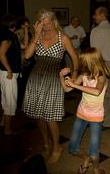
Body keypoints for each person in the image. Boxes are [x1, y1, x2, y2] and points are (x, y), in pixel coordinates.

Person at [22, 9, 79, 164]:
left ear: (53, 21)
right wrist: (36, 34)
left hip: (53, 78)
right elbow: (27, 56)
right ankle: (46, 143)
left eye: (48, 23)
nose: (46, 26)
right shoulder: (38, 36)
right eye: (43, 23)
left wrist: (74, 75)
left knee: (50, 117)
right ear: (38, 23)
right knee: (38, 115)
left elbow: (75, 58)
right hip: (36, 77)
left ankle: (56, 147)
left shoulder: (63, 37)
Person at [59, 47, 110, 174]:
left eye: (83, 60)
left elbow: (97, 91)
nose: (81, 62)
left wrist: (76, 85)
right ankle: (86, 158)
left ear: (92, 61)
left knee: (94, 152)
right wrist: (61, 76)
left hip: (96, 118)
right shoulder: (84, 75)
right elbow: (67, 89)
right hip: (81, 114)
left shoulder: (101, 77)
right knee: (72, 148)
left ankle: (96, 168)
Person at [90, 6, 110, 129]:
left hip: (102, 64)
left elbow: (94, 52)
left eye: (96, 14)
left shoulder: (96, 31)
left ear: (102, 15)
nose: (94, 17)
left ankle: (106, 120)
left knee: (101, 93)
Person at [0, 14, 23, 135]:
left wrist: (27, 31)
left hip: (6, 71)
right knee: (11, 100)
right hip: (7, 72)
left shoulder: (8, 34)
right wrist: (9, 70)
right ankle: (7, 129)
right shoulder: (8, 35)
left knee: (6, 98)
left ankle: (3, 122)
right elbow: (1, 54)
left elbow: (24, 46)